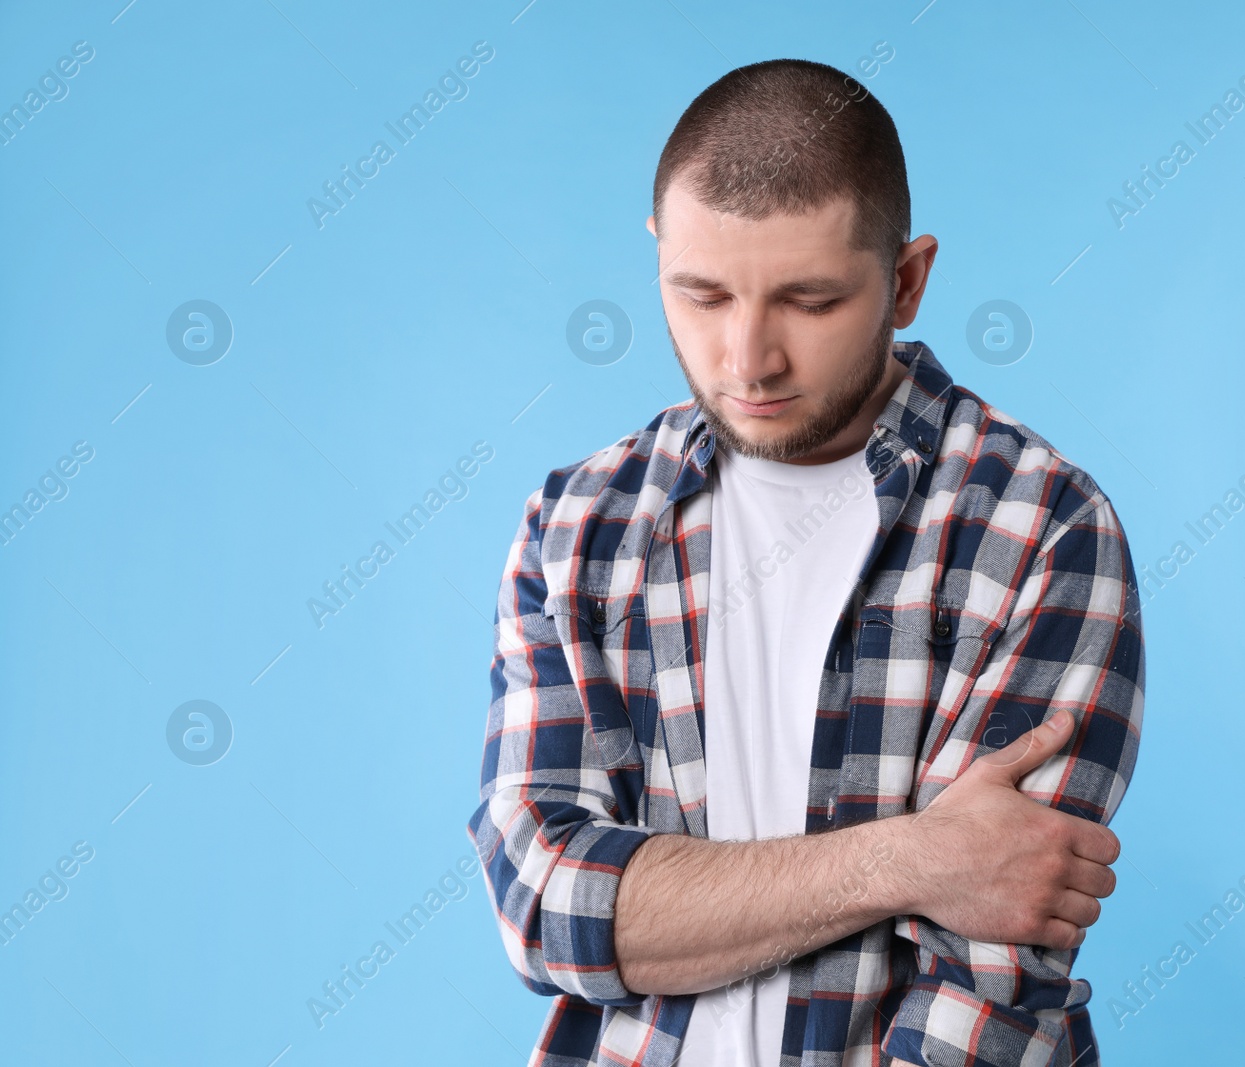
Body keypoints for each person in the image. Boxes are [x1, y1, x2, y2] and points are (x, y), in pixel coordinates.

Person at [467, 56, 1145, 1067]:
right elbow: (549, 904)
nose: (747, 358)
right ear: (657, 253)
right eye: (700, 294)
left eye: (810, 300)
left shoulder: (1041, 524)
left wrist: (674, 896)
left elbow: (987, 984)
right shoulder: (580, 523)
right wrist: (907, 857)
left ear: (907, 280)